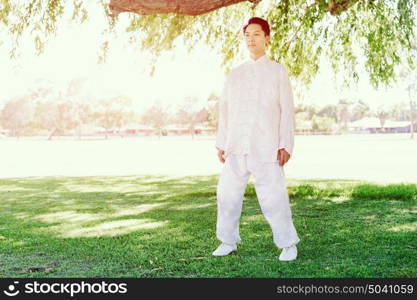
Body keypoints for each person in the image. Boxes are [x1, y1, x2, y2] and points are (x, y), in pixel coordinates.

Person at [213, 17, 300, 261]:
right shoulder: (235, 73)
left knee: (273, 198)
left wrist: (285, 144)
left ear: (267, 37)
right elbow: (225, 110)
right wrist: (222, 143)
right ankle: (228, 241)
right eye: (248, 35)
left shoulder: (277, 71)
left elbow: (286, 111)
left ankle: (288, 244)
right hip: (236, 146)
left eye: (257, 34)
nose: (251, 39)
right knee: (227, 195)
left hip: (267, 146)